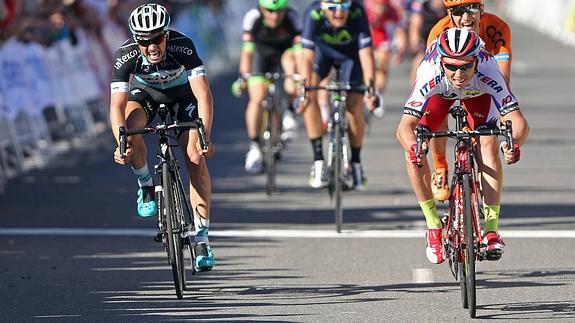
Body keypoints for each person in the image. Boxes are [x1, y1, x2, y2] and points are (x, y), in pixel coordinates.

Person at [396, 28, 529, 264]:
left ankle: (490, 228)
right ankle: (433, 226)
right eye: (452, 66)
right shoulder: (430, 71)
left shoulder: (489, 70)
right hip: (439, 95)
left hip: (478, 94)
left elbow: (516, 120)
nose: (459, 73)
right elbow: (404, 127)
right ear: (442, 62)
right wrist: (415, 148)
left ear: (477, 61)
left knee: (487, 142)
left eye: (466, 66)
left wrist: (514, 143)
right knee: (414, 147)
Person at [109, 3, 216, 271]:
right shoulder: (126, 55)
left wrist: (205, 136)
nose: (152, 46)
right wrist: (120, 143)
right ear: (136, 40)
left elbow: (203, 93)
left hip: (183, 96)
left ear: (166, 35)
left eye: (157, 38)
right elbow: (115, 107)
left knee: (194, 158)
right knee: (131, 131)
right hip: (146, 96)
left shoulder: (183, 45)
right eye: (144, 41)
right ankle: (146, 185)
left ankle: (201, 238)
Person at [425, 0, 512, 202]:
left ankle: (489, 208)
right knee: (437, 117)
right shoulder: (439, 31)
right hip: (447, 83)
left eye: (471, 8)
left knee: (487, 142)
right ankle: (439, 166)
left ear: (481, 9)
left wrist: (501, 115)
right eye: (458, 10)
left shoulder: (497, 28)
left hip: (482, 83)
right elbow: (429, 80)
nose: (466, 17)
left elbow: (503, 79)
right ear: (449, 13)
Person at [298, 0, 378, 190]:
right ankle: (318, 161)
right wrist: (304, 88)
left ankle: (356, 163)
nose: (338, 13)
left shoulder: (358, 11)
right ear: (324, 7)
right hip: (322, 55)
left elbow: (366, 54)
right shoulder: (313, 13)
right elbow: (307, 57)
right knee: (309, 96)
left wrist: (370, 88)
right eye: (332, 8)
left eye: (343, 7)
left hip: (352, 57)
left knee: (354, 104)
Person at [230, 0, 302, 174]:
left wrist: (300, 78)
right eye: (269, 11)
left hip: (286, 53)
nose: (274, 16)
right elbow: (247, 51)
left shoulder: (293, 18)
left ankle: (289, 113)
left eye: (279, 11)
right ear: (262, 9)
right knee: (257, 98)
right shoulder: (253, 17)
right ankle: (254, 145)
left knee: (292, 70)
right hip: (261, 56)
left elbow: (300, 52)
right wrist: (243, 77)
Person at [364, 0, 407, 117]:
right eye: (377, 7)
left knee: (382, 63)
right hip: (367, 40)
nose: (380, 10)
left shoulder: (392, 12)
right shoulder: (365, 12)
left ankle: (378, 94)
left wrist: (399, 52)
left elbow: (400, 33)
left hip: (383, 40)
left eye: (383, 7)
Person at [407, 0, 446, 86]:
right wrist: (416, 43)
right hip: (425, 42)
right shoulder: (421, 5)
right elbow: (414, 28)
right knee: (419, 61)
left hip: (444, 43)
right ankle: (414, 91)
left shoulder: (449, 6)